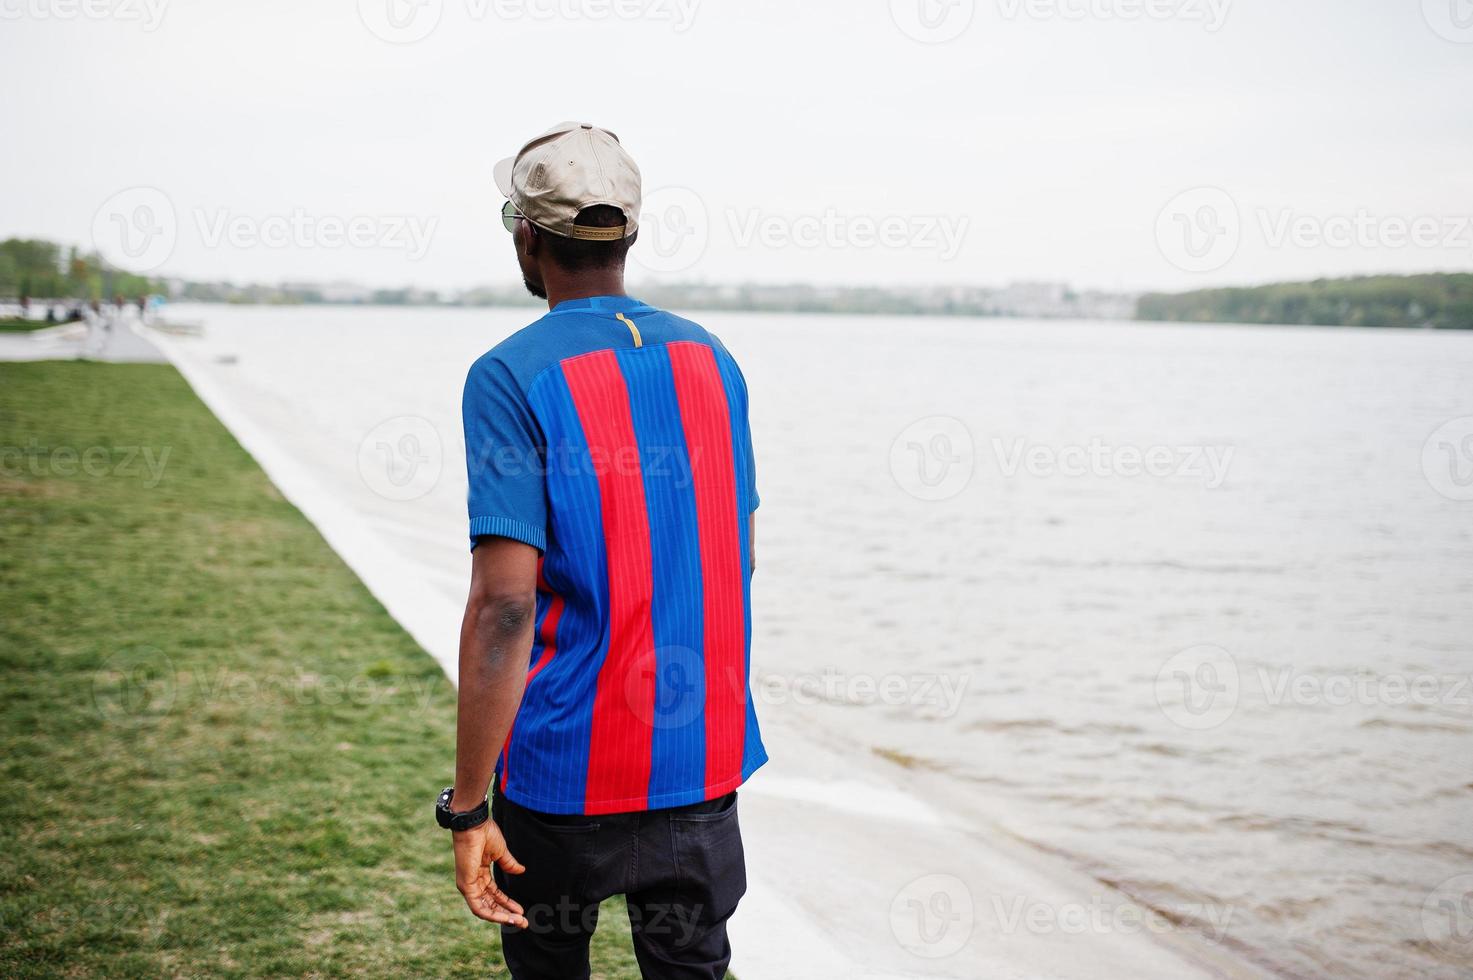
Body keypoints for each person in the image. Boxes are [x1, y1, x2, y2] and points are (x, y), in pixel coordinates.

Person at [434, 122, 765, 980]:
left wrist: (468, 809)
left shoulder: (508, 374)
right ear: (630, 234)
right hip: (699, 757)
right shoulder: (713, 359)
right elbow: (740, 556)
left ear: (527, 235)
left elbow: (505, 604)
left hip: (561, 771)